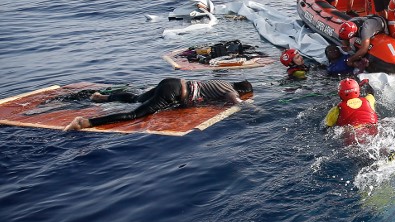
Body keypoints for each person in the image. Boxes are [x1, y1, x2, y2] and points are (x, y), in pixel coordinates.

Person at [62, 79, 253, 131]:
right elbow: (238, 104)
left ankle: (101, 97)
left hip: (172, 82)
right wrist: (258, 109)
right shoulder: (232, 92)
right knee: (135, 115)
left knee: (137, 98)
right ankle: (86, 122)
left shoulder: (224, 83)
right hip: (174, 93)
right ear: (242, 91)